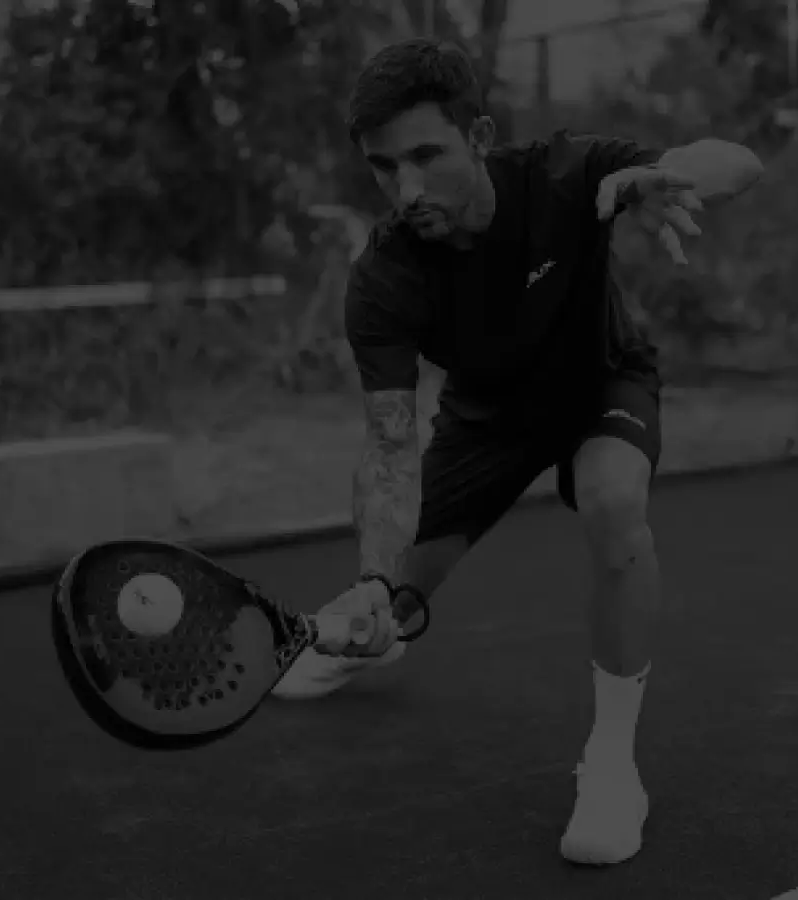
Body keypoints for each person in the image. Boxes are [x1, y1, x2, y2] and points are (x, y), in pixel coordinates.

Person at [272, 38, 763, 866]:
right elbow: (390, 444)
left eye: (427, 155)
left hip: (600, 386)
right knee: (391, 593)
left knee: (614, 505)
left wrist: (667, 176)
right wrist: (370, 576)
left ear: (482, 135)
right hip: (487, 419)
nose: (408, 188)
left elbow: (737, 161)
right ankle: (372, 632)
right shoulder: (386, 277)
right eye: (385, 168)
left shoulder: (572, 177)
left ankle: (612, 765)